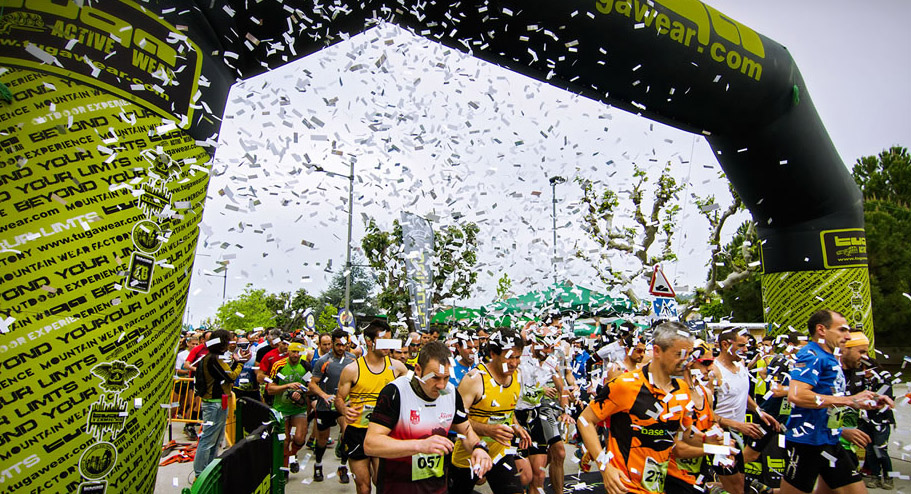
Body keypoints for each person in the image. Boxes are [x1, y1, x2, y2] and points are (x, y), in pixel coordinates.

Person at [576, 321, 705, 494]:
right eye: (679, 354)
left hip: (659, 484)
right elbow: (585, 420)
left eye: (688, 355)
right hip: (626, 486)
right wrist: (604, 465)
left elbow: (683, 436)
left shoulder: (682, 389)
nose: (686, 362)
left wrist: (711, 441)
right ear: (657, 351)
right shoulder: (626, 385)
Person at [781, 310, 892, 494]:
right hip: (807, 443)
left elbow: (832, 399)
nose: (847, 336)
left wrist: (866, 401)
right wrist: (849, 401)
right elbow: (797, 395)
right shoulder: (812, 355)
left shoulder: (829, 357)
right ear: (821, 330)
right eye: (842, 330)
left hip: (830, 440)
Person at [364, 341, 493, 494]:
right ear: (418, 370)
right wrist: (419, 446)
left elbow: (466, 431)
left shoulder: (451, 393)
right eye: (435, 378)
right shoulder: (395, 392)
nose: (441, 385)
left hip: (436, 488)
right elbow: (371, 444)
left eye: (446, 377)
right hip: (398, 487)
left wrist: (477, 448)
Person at [449, 328, 533, 494]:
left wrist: (516, 426)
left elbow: (506, 410)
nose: (514, 363)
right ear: (493, 354)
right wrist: (487, 430)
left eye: (517, 357)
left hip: (500, 452)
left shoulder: (517, 376)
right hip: (468, 454)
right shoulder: (475, 379)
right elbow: (455, 420)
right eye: (509, 357)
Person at [335, 320, 409, 494]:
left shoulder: (398, 368)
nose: (388, 346)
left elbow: (410, 392)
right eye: (384, 341)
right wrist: (344, 409)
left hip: (382, 432)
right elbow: (339, 399)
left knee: (381, 482)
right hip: (357, 432)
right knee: (364, 486)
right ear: (369, 341)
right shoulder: (352, 369)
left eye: (390, 341)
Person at [712, 328, 781, 494]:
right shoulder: (714, 371)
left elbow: (743, 395)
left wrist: (759, 411)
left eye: (747, 345)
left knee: (739, 484)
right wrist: (737, 425)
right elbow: (706, 413)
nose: (746, 349)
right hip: (719, 436)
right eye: (741, 345)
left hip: (737, 434)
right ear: (725, 345)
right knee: (736, 488)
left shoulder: (741, 365)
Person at [515, 331, 572, 494]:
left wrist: (566, 411)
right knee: (523, 476)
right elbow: (514, 388)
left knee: (539, 474)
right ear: (534, 343)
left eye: (551, 348)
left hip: (536, 414)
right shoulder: (520, 356)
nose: (548, 352)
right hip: (516, 414)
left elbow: (562, 388)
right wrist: (540, 390)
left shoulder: (551, 361)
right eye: (545, 348)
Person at [840, 331, 896, 490]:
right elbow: (808, 402)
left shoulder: (863, 376)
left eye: (866, 353)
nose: (864, 357)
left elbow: (855, 399)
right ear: (844, 349)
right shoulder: (828, 370)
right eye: (861, 352)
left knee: (879, 451)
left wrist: (875, 399)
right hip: (823, 441)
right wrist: (839, 431)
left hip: (870, 427)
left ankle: (886, 476)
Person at [193, 329, 244, 479]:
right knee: (209, 439)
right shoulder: (214, 359)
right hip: (214, 404)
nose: (230, 344)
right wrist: (240, 363)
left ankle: (208, 470)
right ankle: (200, 474)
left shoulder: (211, 357)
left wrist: (236, 362)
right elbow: (231, 376)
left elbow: (225, 374)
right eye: (228, 341)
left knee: (215, 439)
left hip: (216, 403)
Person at [309, 328, 357, 483]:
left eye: (344, 345)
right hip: (326, 406)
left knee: (347, 433)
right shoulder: (323, 361)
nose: (341, 348)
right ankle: (318, 464)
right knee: (322, 440)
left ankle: (343, 467)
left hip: (343, 404)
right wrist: (323, 395)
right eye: (338, 345)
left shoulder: (352, 359)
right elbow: (312, 383)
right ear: (332, 344)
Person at [267, 342, 311, 473]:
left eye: (298, 353)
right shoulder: (279, 366)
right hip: (281, 408)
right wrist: (287, 386)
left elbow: (311, 387)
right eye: (293, 352)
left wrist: (301, 391)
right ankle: (284, 469)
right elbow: (270, 389)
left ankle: (293, 455)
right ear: (288, 352)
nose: (296, 355)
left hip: (298, 408)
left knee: (299, 439)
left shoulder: (305, 366)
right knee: (285, 441)